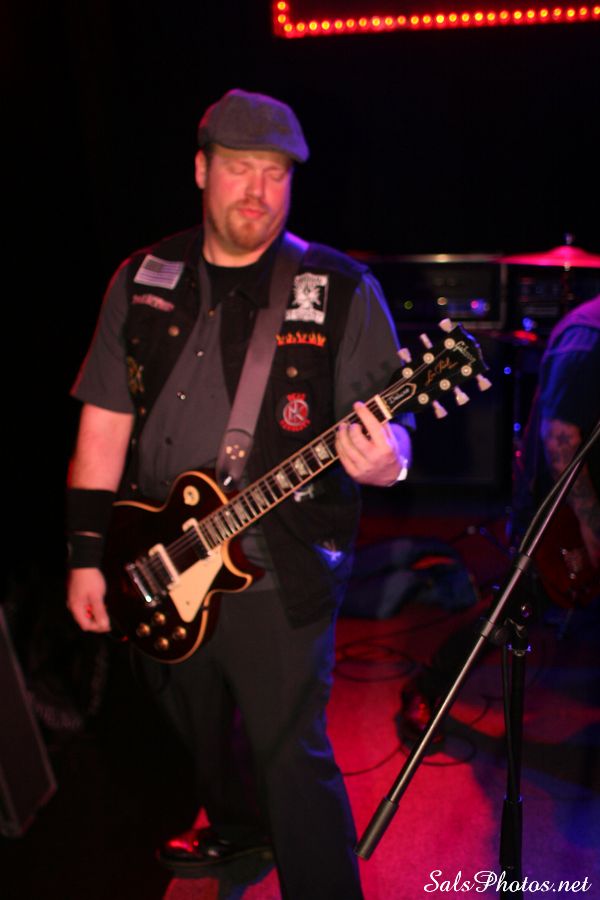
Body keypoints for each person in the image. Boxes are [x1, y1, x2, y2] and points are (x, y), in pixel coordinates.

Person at [65, 88, 413, 899]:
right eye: (238, 168)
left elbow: (392, 428)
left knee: (290, 756)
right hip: (157, 554)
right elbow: (104, 426)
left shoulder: (340, 287)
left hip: (280, 567)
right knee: (196, 731)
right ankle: (236, 830)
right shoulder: (141, 279)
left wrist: (386, 463)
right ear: (200, 169)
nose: (257, 191)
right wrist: (85, 557)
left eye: (274, 173)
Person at [399, 294, 600, 745]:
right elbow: (560, 437)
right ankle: (428, 686)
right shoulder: (587, 338)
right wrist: (591, 526)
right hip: (561, 516)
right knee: (511, 609)